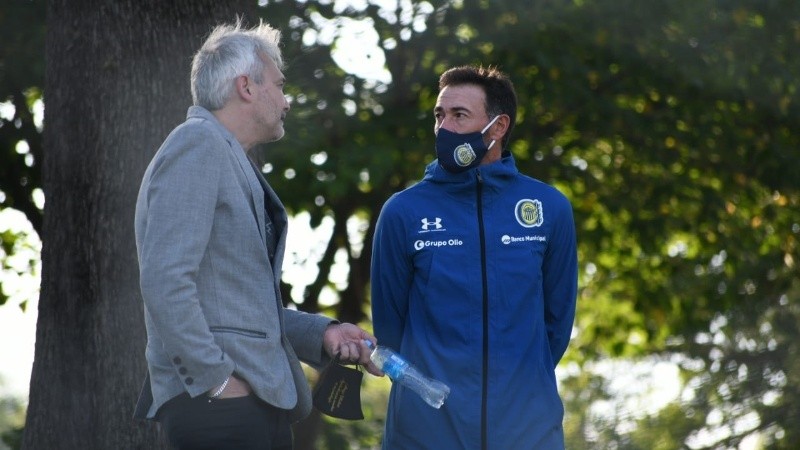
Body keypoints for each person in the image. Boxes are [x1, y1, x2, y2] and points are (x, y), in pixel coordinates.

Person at [133, 20, 379, 449]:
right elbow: (165, 280)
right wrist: (215, 381)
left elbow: (239, 309)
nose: (286, 101)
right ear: (247, 87)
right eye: (280, 86)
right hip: (220, 410)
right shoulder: (198, 144)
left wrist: (322, 334)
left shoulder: (222, 152)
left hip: (241, 407)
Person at [370, 65, 578, 449]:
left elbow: (556, 323)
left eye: (459, 115)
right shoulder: (403, 211)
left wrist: (511, 387)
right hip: (424, 434)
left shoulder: (549, 208)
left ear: (498, 128)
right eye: (439, 115)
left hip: (528, 433)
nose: (443, 127)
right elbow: (390, 329)